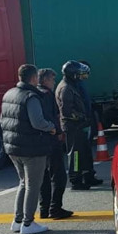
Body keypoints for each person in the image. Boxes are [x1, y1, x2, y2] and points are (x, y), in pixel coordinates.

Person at [1, 64, 57, 234]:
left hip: (13, 146)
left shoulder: (9, 94)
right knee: (33, 185)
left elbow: (3, 120)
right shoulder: (31, 96)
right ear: (33, 78)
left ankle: (18, 220)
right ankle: (28, 222)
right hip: (31, 147)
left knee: (23, 183)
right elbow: (37, 122)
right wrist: (51, 127)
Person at [56, 60, 100, 190]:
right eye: (80, 74)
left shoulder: (74, 85)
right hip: (73, 126)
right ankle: (76, 180)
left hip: (81, 125)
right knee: (75, 154)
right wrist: (81, 117)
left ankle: (88, 176)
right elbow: (66, 112)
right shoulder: (65, 88)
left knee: (85, 152)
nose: (82, 76)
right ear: (73, 74)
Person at [37, 68, 73, 220]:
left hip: (39, 142)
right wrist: (58, 131)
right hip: (51, 140)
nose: (53, 83)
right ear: (45, 80)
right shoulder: (46, 95)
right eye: (52, 80)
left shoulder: (35, 94)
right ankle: (55, 207)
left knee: (43, 176)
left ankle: (44, 208)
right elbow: (53, 116)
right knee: (58, 176)